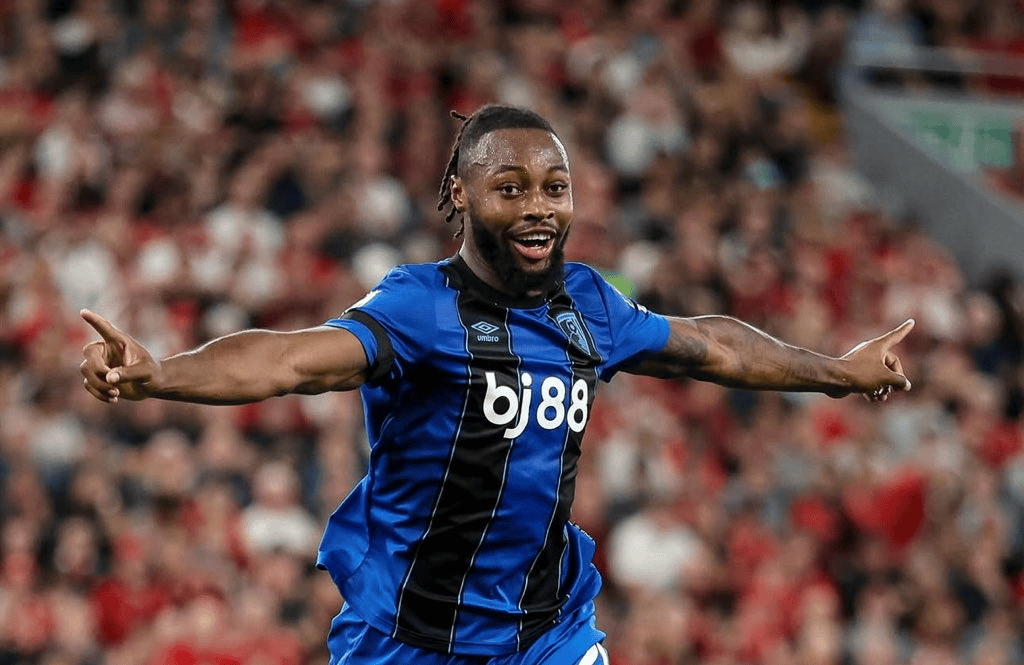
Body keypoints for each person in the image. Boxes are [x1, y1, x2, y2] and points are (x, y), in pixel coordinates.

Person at [80, 105, 914, 665]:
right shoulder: (418, 306)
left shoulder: (590, 304)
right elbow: (291, 360)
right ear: (461, 193)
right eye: (510, 188)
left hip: (546, 628)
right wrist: (162, 374)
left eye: (555, 188)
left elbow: (712, 347)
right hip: (409, 633)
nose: (538, 207)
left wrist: (837, 371)